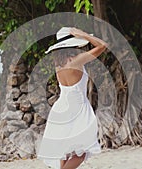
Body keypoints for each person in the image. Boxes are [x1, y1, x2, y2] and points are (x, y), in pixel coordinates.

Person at [37, 27, 108, 169]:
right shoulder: (76, 61)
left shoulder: (59, 65)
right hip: (77, 108)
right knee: (80, 152)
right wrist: (84, 34)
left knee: (65, 152)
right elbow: (103, 45)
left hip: (61, 107)